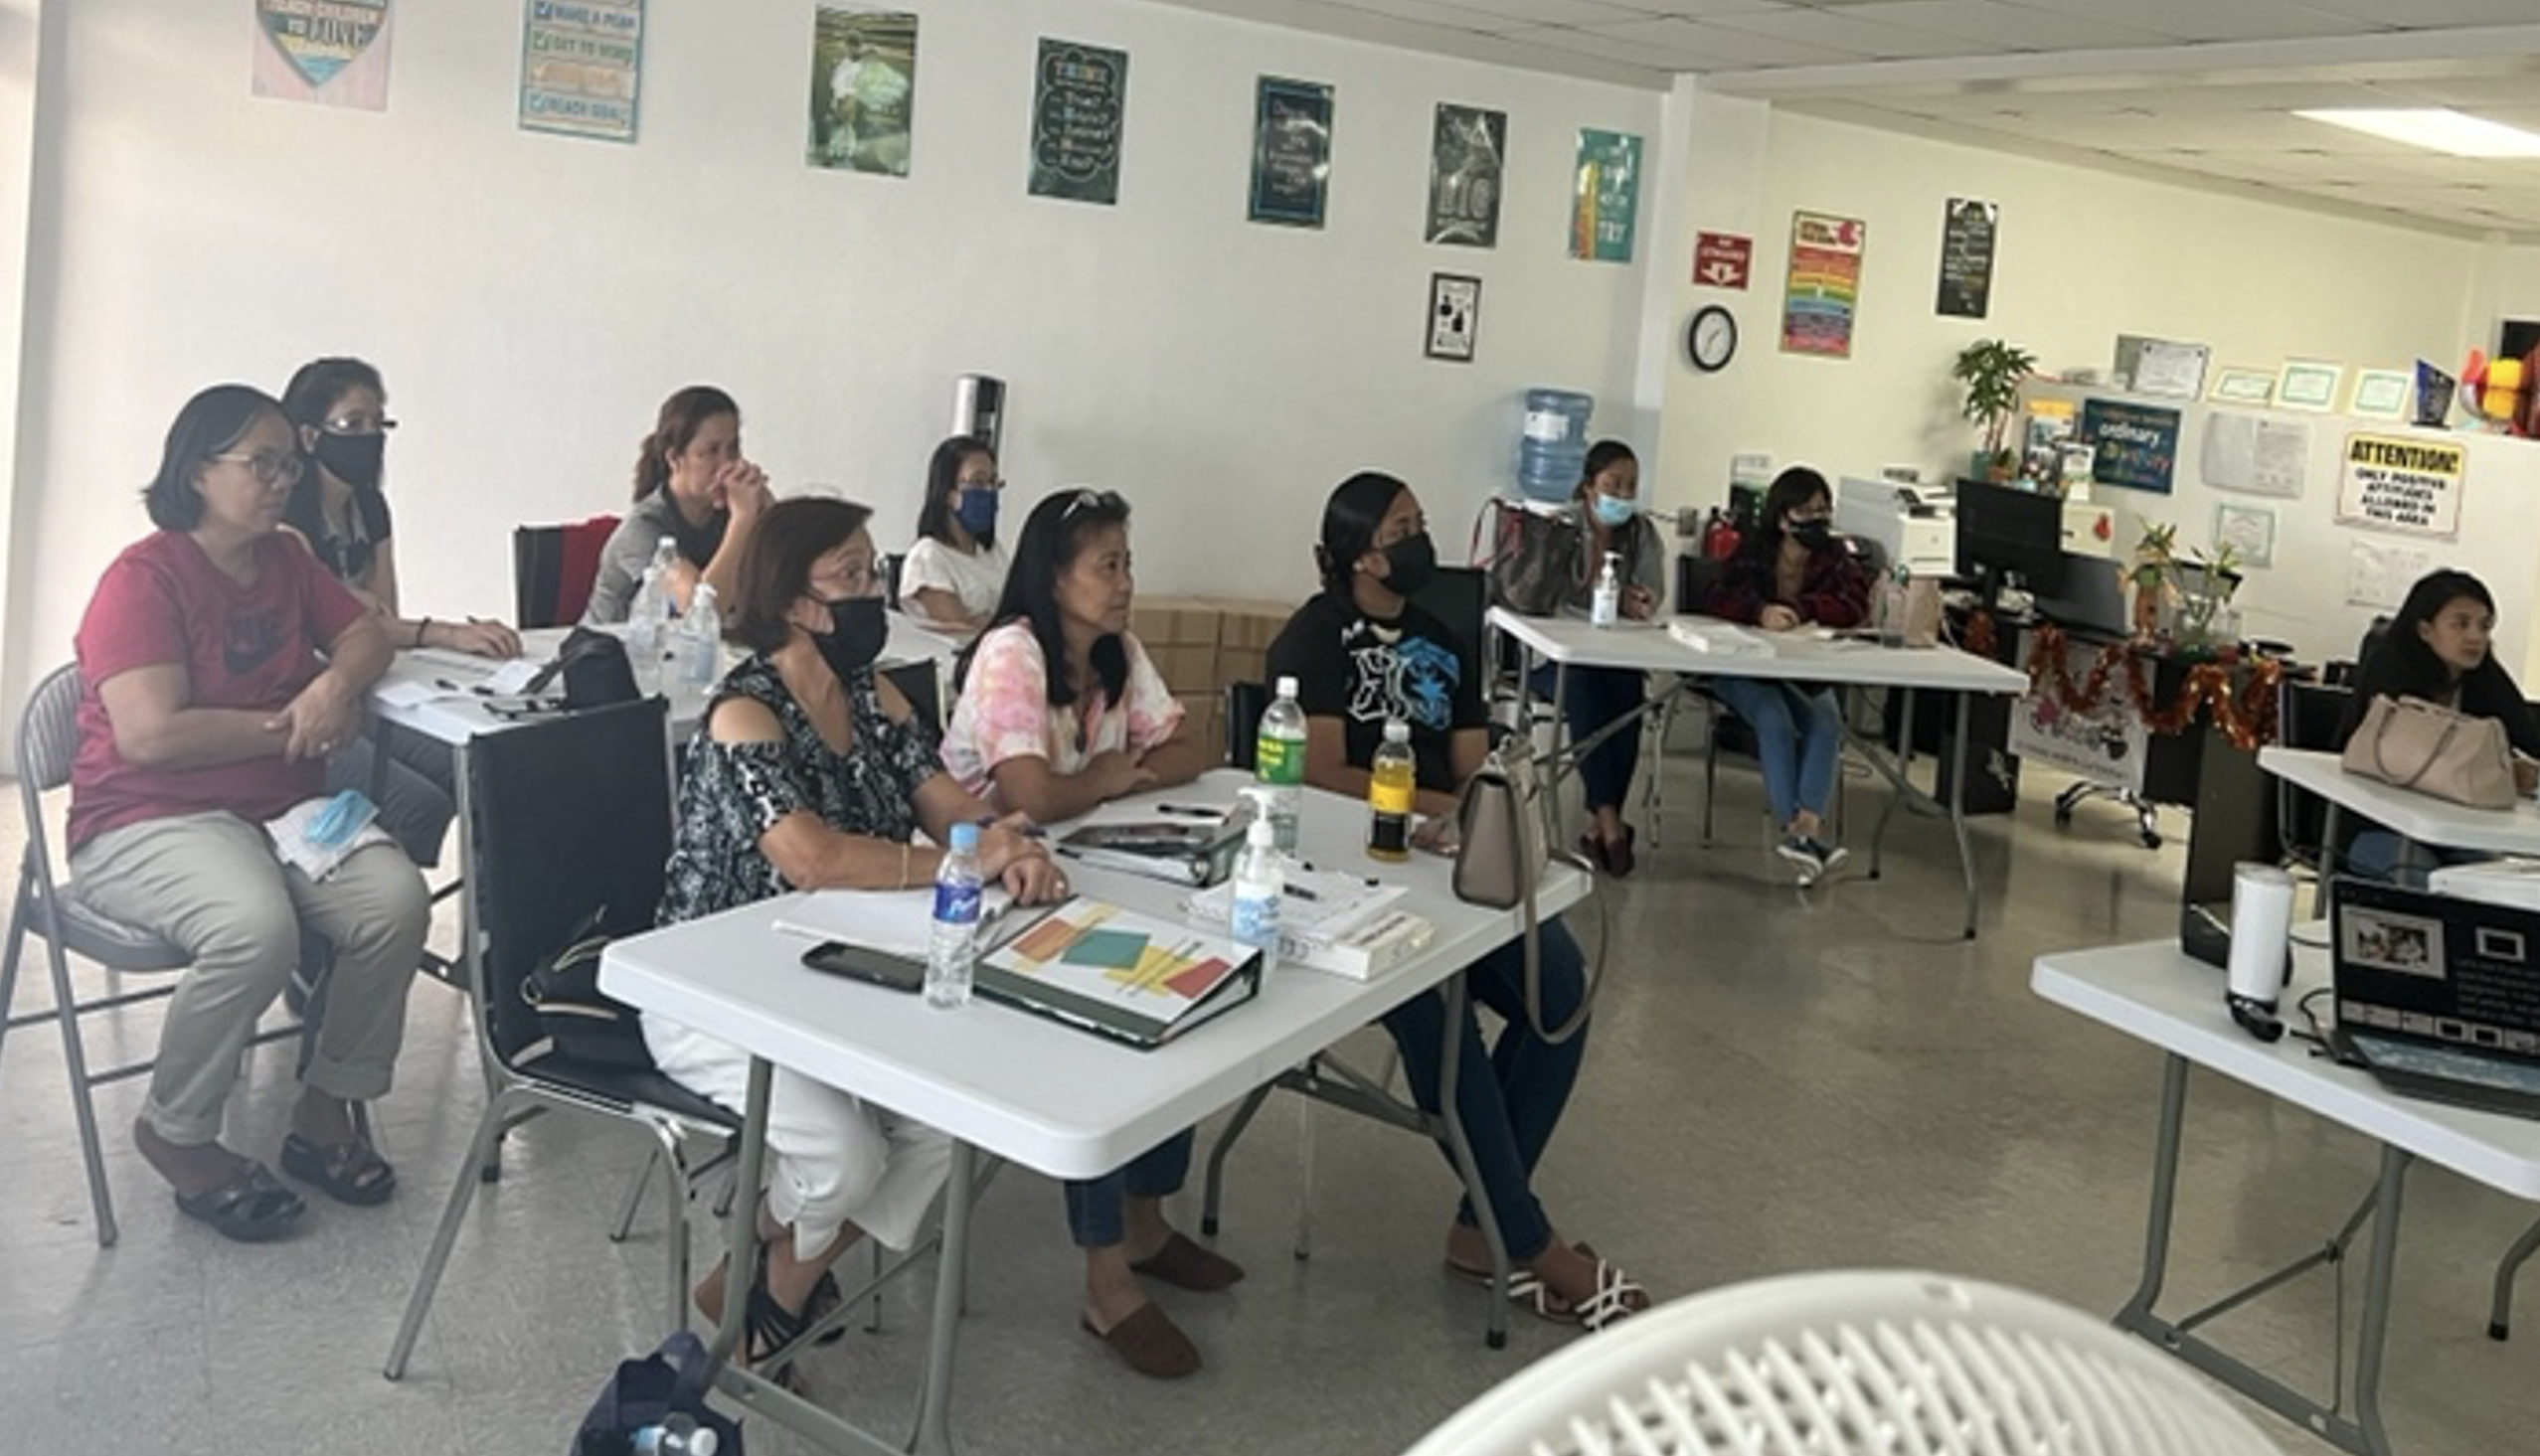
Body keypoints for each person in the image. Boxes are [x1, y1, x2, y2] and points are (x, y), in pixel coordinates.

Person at [642, 496, 1066, 1375]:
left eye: (873, 569)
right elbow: (812, 857)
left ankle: (769, 1286)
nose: (874, 591)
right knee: (846, 1152)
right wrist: (966, 858)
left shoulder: (873, 696)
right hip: (712, 986)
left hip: (835, 973)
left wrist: (1009, 844)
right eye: (852, 575)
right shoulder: (742, 713)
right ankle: (771, 1283)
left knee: (949, 1123)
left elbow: (953, 808)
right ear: (794, 602)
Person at [1264, 470, 1649, 1335]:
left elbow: (1476, 762)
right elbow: (1320, 773)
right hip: (1351, 876)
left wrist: (1479, 812)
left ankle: (1482, 1226)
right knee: (1440, 1013)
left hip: (1454, 866)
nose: (1421, 537)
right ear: (1364, 552)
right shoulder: (1312, 639)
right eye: (1404, 525)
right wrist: (1444, 812)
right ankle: (1529, 1241)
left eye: (1420, 521)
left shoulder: (1443, 637)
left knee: (1561, 986)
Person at [68, 384, 430, 1241]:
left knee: (395, 899)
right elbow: (152, 736)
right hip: (147, 818)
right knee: (255, 926)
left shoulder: (287, 562)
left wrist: (337, 684)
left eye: (288, 462)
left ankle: (323, 1110)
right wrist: (294, 722)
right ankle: (178, 1131)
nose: (281, 480)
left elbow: (367, 634)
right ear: (196, 472)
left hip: (280, 809)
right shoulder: (142, 578)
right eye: (260, 462)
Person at [937, 488, 1230, 1378]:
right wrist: (1107, 779)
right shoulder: (1010, 653)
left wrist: (1107, 776)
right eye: (1107, 564)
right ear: (1053, 575)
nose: (1124, 581)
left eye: (1127, 562)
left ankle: (1144, 1227)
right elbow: (1028, 796)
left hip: (1087, 869)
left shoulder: (1117, 653)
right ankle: (1105, 1281)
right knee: (1098, 1028)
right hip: (985, 891)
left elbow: (1197, 746)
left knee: (1184, 987)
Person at [278, 355, 519, 868]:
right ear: (309, 437)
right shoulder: (287, 519)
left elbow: (380, 613)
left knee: (481, 768)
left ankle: (487, 933)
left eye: (378, 424)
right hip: (313, 701)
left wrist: (374, 617)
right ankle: (374, 929)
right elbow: (340, 628)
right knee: (421, 806)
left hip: (368, 686)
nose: (371, 438)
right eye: (353, 424)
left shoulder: (369, 506)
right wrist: (444, 634)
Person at [1699, 465, 1870, 886]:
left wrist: (1805, 609)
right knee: (1775, 721)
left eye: (1823, 511)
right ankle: (1801, 837)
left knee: (1827, 722)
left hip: (1805, 667)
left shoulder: (1833, 556)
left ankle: (1803, 832)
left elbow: (1854, 604)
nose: (1816, 521)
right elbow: (1717, 597)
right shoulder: (1753, 550)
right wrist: (1760, 612)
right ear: (1782, 516)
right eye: (1806, 511)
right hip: (1744, 666)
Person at [2333, 568, 2540, 887]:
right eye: (2460, 624)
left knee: (2491, 883)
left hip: (2449, 829)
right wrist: (2503, 770)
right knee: (2427, 880)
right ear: (2425, 630)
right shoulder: (2389, 668)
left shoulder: (2482, 676)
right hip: (2367, 824)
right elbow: (2413, 759)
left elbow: (2529, 732)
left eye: (2484, 626)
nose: (2475, 637)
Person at [1531, 439, 1666, 876]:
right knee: (1584, 686)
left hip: (1615, 653)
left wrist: (1642, 601)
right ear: (1589, 486)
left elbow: (1653, 589)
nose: (1623, 496)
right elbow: (1544, 594)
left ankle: (1600, 822)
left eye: (1631, 487)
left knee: (1626, 693)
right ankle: (1609, 822)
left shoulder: (1642, 532)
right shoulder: (1558, 527)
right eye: (1614, 484)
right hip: (1552, 659)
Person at [584, 385, 773, 623]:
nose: (727, 463)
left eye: (733, 448)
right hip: (610, 652)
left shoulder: (731, 510)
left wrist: (768, 515)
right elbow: (701, 614)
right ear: (674, 458)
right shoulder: (642, 528)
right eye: (710, 451)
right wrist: (743, 520)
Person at [897, 434, 1009, 637]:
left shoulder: (991, 551)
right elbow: (958, 628)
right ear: (948, 492)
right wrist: (1000, 624)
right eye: (978, 482)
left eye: (993, 483)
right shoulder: (928, 556)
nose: (989, 492)